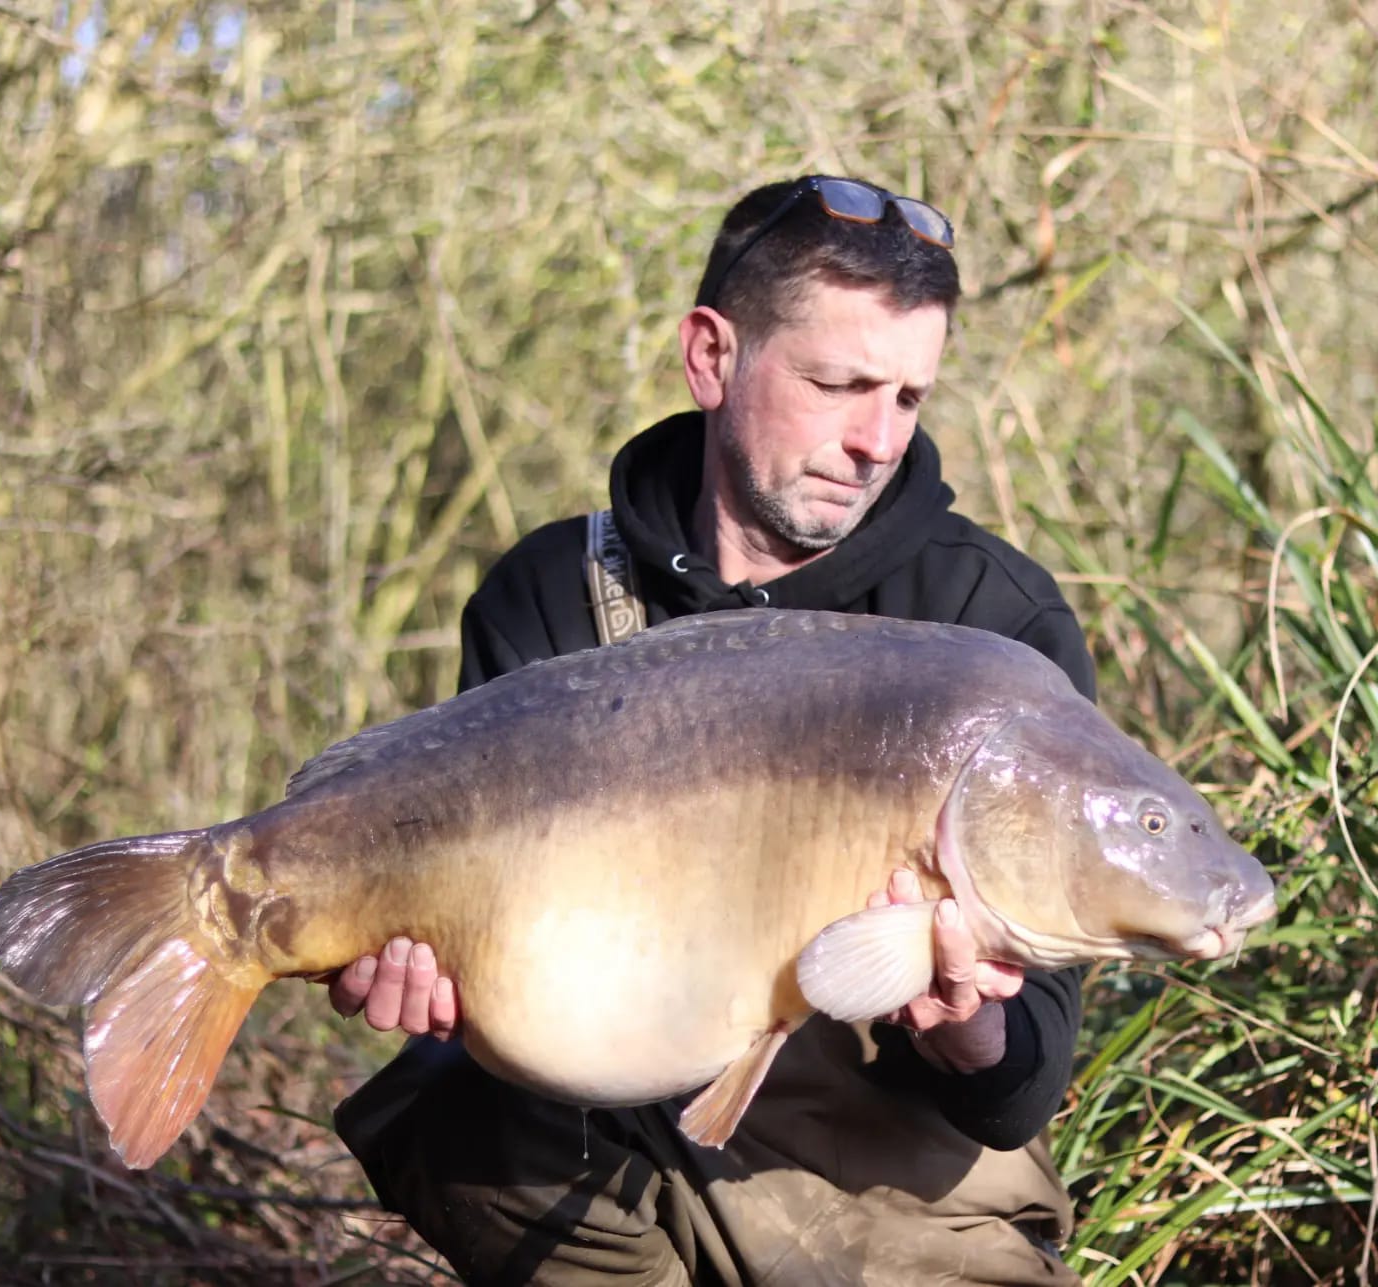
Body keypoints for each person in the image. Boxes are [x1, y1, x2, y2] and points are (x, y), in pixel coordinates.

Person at [328, 175, 1096, 1286]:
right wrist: (434, 971)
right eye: (839, 385)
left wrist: (965, 1024)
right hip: (604, 1127)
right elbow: (474, 955)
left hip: (880, 1191)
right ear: (712, 357)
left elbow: (1023, 1086)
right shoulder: (550, 594)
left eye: (909, 398)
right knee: (452, 1104)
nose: (876, 440)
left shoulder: (990, 627)